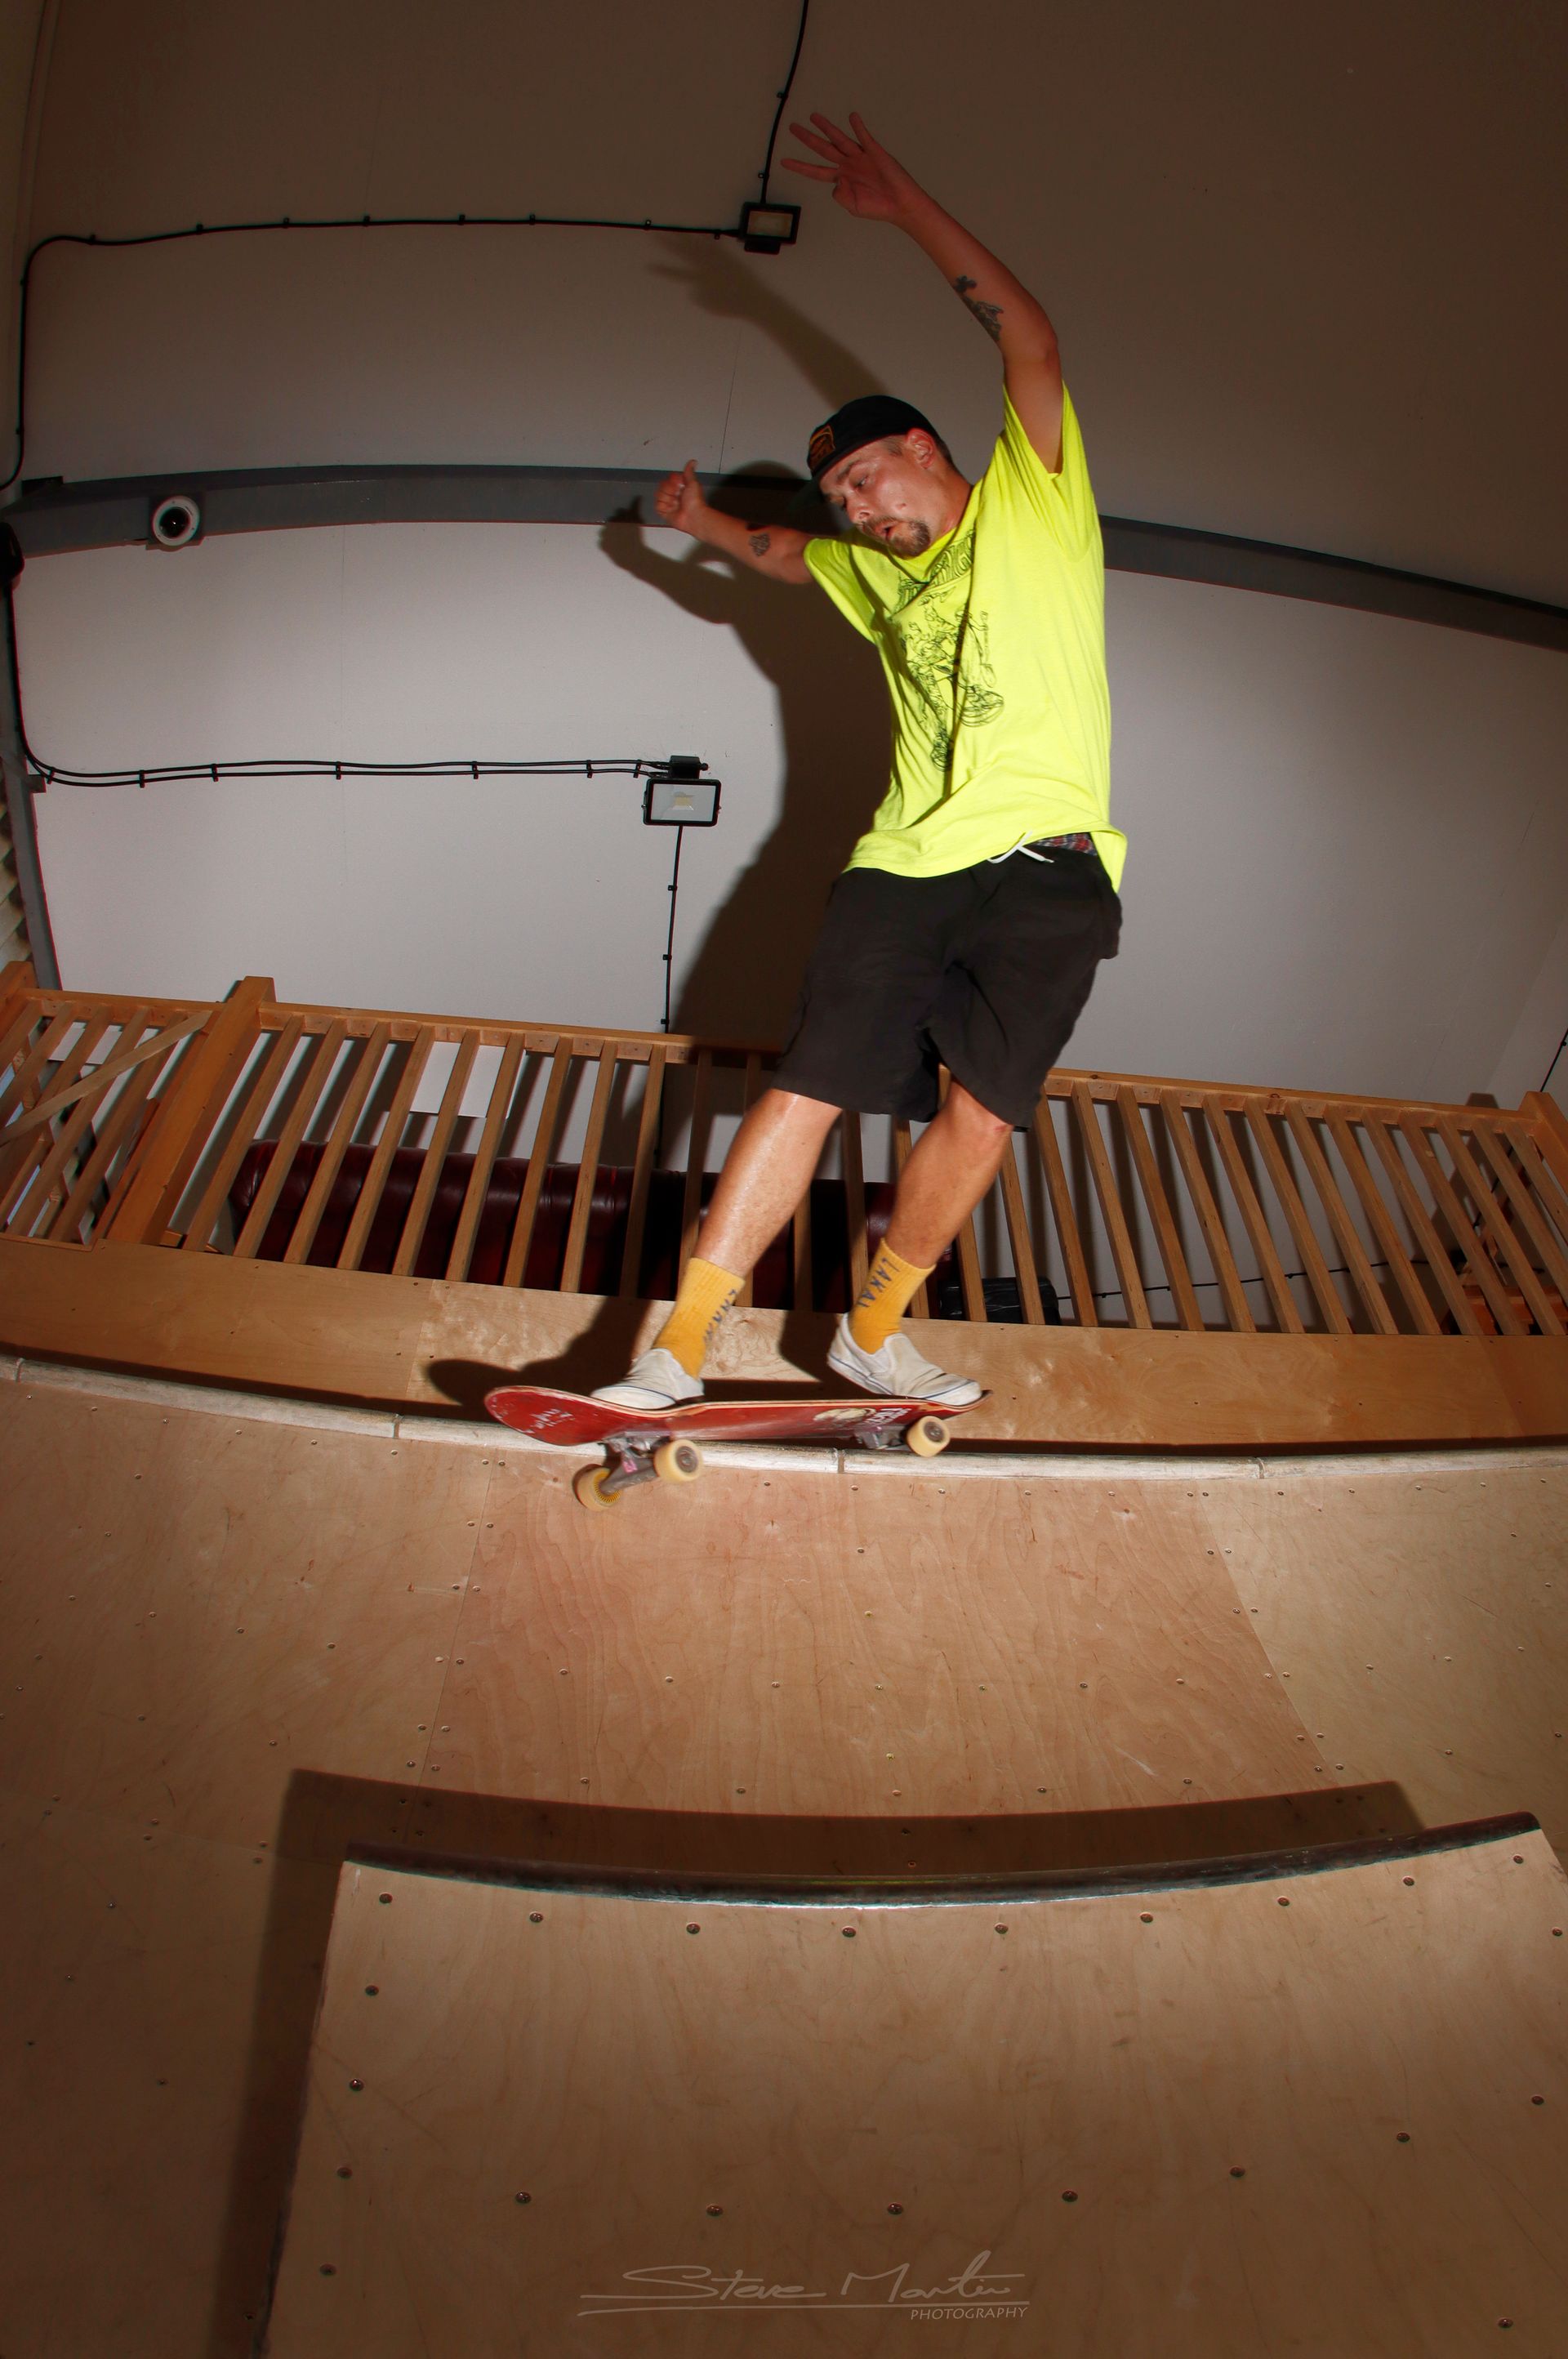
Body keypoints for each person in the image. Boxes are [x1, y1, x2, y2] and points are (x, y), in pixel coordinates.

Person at [596, 110, 1124, 1411]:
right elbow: (780, 559)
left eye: (872, 487)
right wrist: (701, 521)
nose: (861, 516)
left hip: (1055, 866)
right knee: (817, 1080)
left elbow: (1031, 340)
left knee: (986, 1113)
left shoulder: (1035, 502)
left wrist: (909, 210)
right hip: (905, 865)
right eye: (843, 505)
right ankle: (674, 1346)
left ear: (928, 455)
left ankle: (872, 1329)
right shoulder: (864, 574)